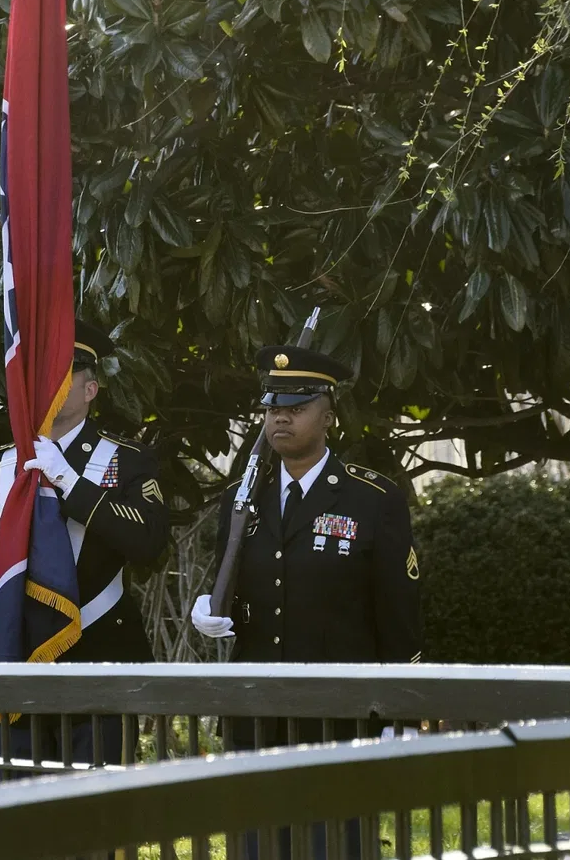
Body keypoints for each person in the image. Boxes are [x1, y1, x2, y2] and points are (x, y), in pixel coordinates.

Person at [191, 342, 422, 858]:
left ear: (328, 416)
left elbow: (399, 615)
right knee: (255, 844)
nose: (282, 419)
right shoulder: (241, 498)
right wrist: (211, 608)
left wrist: (397, 716)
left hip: (337, 712)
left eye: (297, 408)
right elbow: (236, 583)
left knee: (335, 844)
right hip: (255, 711)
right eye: (274, 408)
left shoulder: (372, 499)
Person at [0, 320, 169, 771]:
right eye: (42, 372)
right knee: (20, 818)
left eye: (66, 372)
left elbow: (150, 542)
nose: (51, 383)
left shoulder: (126, 460)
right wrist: (5, 597)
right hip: (18, 659)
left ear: (91, 389)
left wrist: (69, 482)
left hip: (102, 665)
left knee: (96, 820)